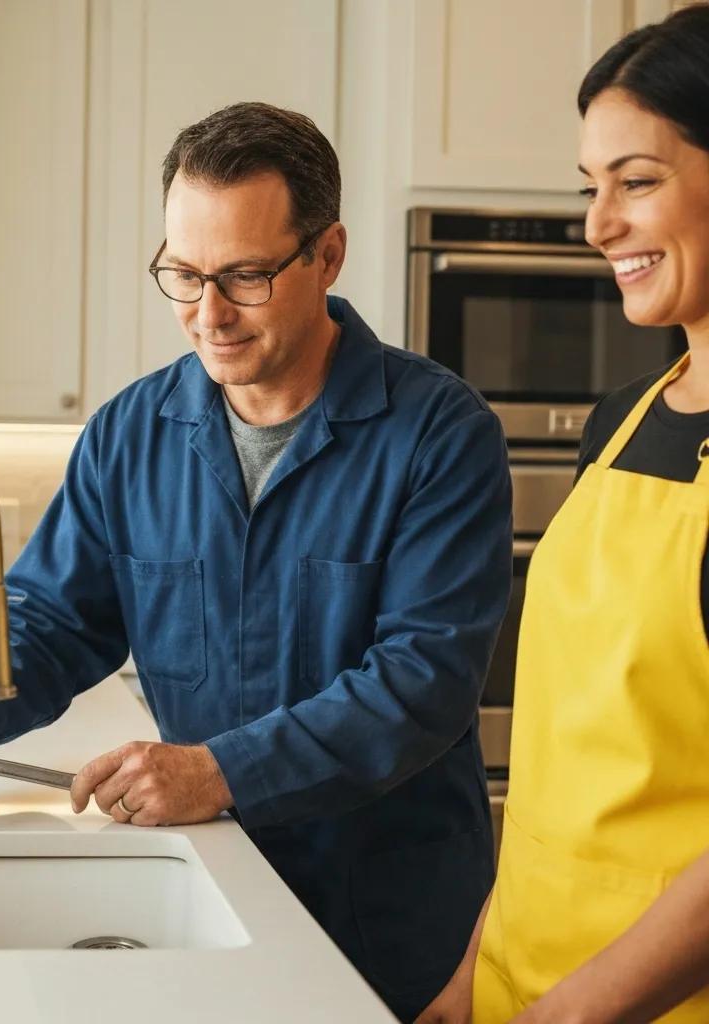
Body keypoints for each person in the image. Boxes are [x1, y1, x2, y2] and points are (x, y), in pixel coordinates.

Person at [0, 101, 512, 1023]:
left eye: (244, 276)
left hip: (390, 924)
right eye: (181, 274)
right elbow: (55, 615)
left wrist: (221, 771)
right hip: (205, 883)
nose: (207, 315)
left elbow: (421, 683)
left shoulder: (440, 435)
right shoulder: (132, 431)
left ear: (326, 256)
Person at [417, 5, 709, 1023]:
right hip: (518, 984)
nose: (596, 224)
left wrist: (572, 1013)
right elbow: (559, 772)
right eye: (589, 188)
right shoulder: (622, 420)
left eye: (635, 181)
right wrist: (473, 974)